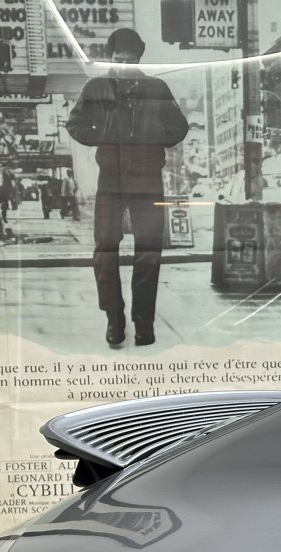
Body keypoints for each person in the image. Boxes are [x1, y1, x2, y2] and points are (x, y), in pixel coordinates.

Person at [66, 28, 189, 347]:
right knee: (105, 249)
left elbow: (179, 127)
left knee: (148, 251)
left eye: (130, 61)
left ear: (139, 60)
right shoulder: (96, 87)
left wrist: (150, 140)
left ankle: (144, 321)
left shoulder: (157, 88)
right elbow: (75, 124)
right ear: (109, 58)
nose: (124, 66)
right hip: (111, 179)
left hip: (148, 180)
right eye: (119, 60)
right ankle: (114, 317)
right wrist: (105, 137)